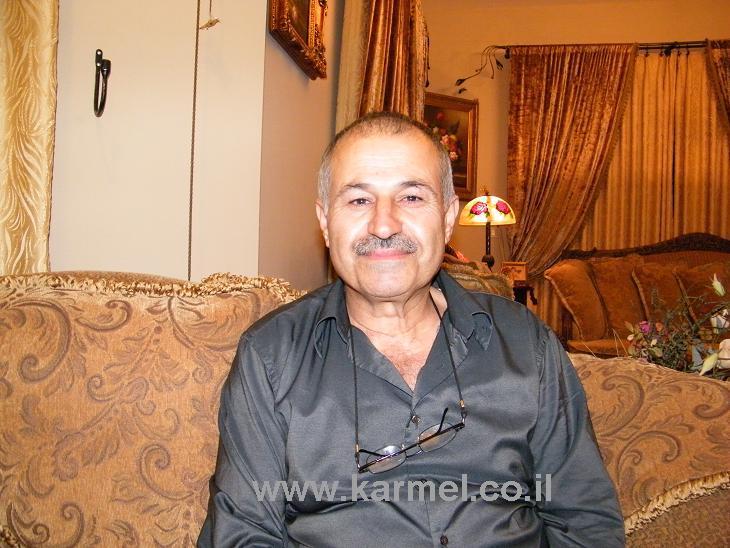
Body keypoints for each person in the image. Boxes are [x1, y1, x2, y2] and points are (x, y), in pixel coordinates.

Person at [198, 112, 625, 547]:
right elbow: (243, 534)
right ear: (326, 222)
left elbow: (584, 520)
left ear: (448, 217)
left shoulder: (524, 342)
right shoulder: (269, 357)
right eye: (359, 200)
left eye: (412, 197)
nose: (384, 225)